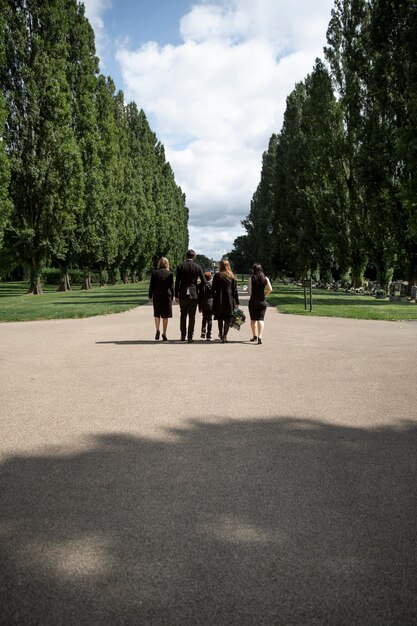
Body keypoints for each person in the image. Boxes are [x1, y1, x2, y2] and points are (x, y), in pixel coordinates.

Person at [175, 249, 206, 343]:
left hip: (183, 293)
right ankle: (190, 336)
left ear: (186, 256)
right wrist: (196, 286)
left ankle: (183, 335)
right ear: (194, 256)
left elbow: (177, 282)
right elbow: (204, 281)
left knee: (183, 315)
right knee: (192, 316)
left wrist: (176, 294)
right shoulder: (197, 267)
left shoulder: (180, 266)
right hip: (193, 293)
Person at [212, 259, 239, 343]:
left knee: (220, 318)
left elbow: (213, 288)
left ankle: (220, 333)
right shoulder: (232, 276)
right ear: (228, 266)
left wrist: (214, 297)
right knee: (227, 319)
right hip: (229, 300)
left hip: (219, 300)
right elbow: (235, 291)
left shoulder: (217, 275)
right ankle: (225, 336)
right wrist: (237, 301)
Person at [148, 257, 174, 341]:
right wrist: (173, 296)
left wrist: (150, 295)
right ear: (167, 264)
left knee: (157, 314)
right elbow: (171, 287)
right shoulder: (169, 273)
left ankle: (157, 330)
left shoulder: (154, 273)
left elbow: (151, 285)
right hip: (167, 296)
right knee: (165, 316)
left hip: (157, 295)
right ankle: (164, 332)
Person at [248, 263, 272, 344]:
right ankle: (260, 336)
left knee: (253, 320)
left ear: (254, 270)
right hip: (262, 301)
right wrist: (265, 294)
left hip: (253, 301)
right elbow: (270, 289)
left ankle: (254, 335)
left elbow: (249, 292)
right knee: (260, 319)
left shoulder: (251, 279)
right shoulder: (265, 278)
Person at [198, 271, 213, 340]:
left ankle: (203, 331)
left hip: (203, 304)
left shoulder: (201, 285)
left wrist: (199, 307)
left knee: (204, 318)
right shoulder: (211, 285)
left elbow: (199, 297)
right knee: (209, 320)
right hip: (210, 305)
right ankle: (209, 334)